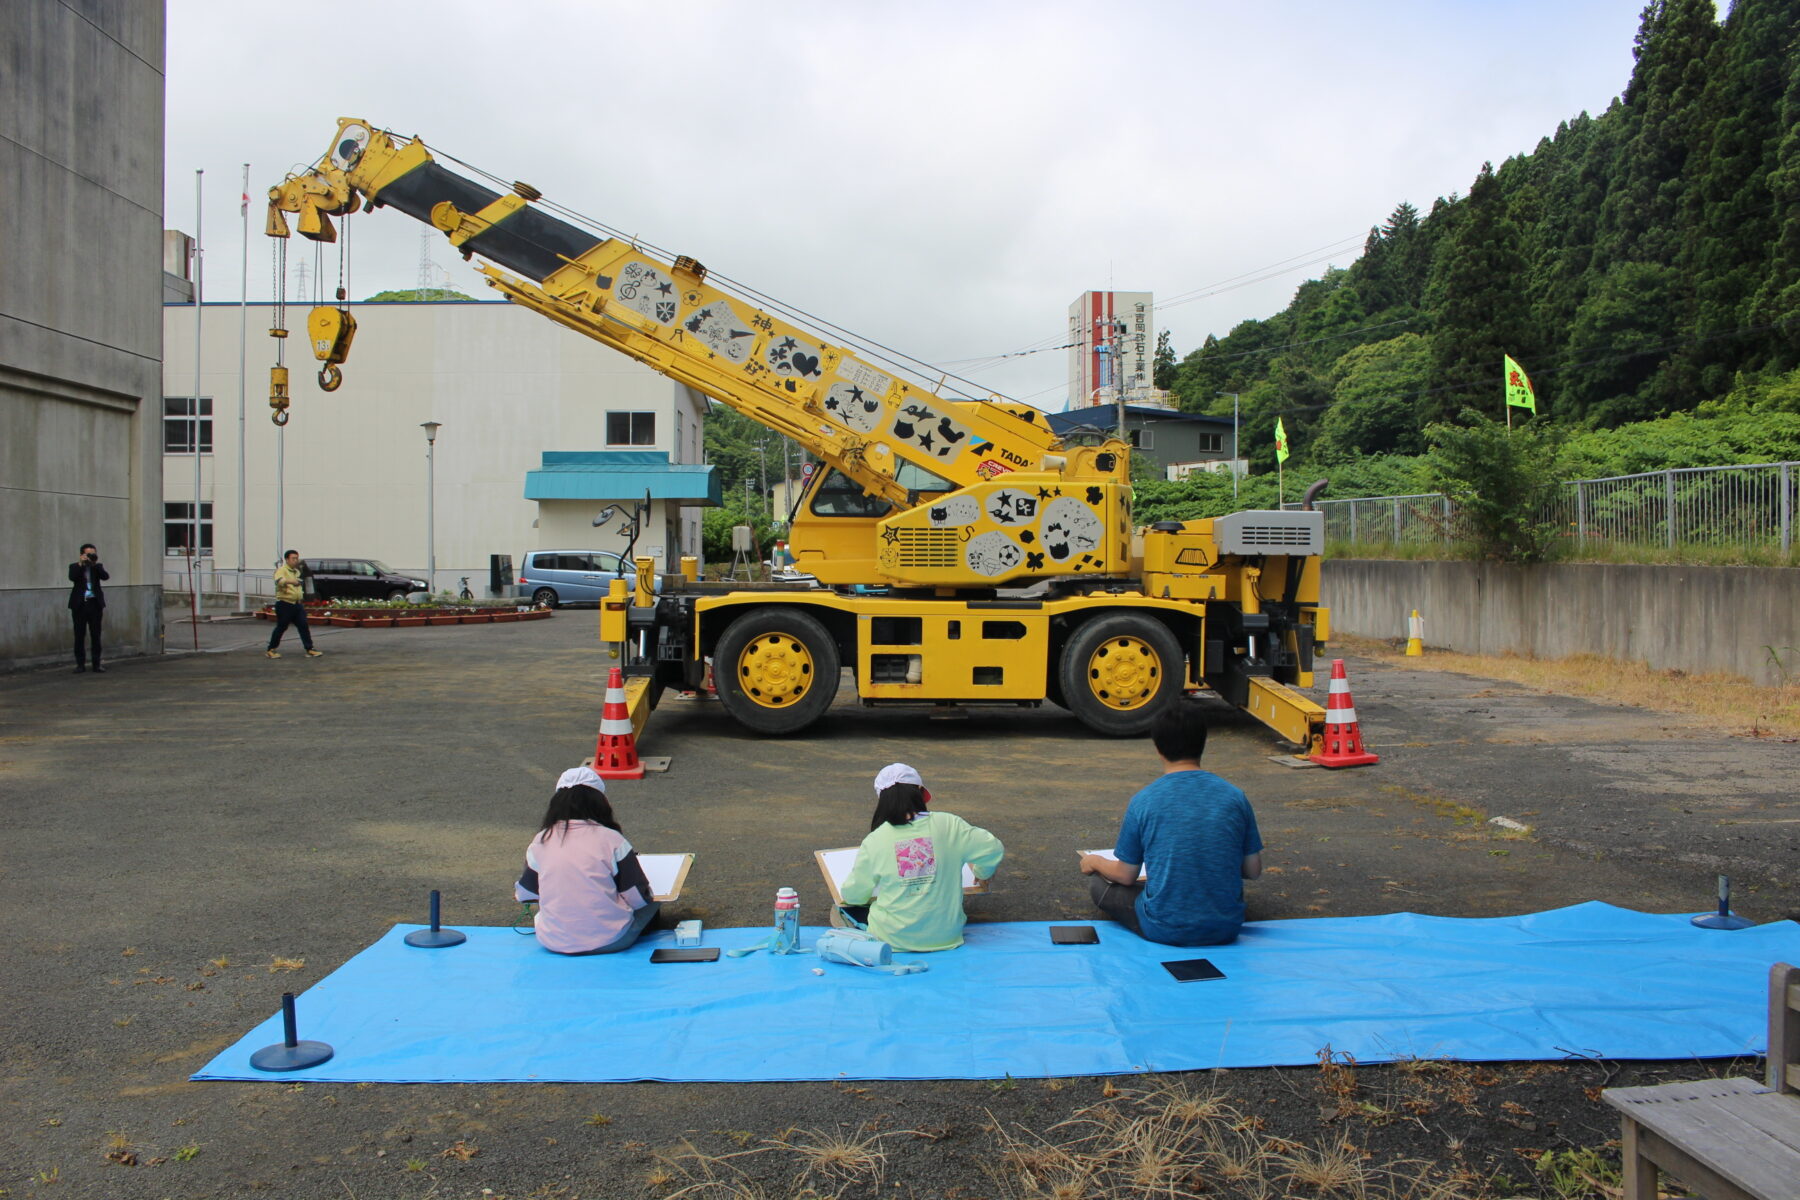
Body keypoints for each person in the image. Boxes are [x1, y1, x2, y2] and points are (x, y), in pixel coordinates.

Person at [1079, 698, 1263, 946]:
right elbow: (1252, 870)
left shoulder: (1144, 801)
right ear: (1203, 743)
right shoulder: (1235, 797)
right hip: (1226, 926)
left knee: (1099, 886)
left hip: (1164, 928)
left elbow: (1125, 875)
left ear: (1157, 747)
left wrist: (1095, 861)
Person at [840, 764, 1003, 952]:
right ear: (919, 790)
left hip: (891, 940)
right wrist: (982, 873)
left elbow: (853, 895)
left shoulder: (875, 839)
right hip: (947, 935)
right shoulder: (950, 824)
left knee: (842, 911)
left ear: (882, 799)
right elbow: (993, 848)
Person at [515, 766, 660, 955]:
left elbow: (526, 893)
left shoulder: (541, 840)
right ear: (601, 803)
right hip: (611, 939)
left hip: (554, 941)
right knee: (653, 904)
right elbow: (638, 898)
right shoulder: (612, 840)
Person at [266, 550, 322, 659]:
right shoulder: (281, 570)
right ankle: (271, 649)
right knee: (281, 627)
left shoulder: (296, 571)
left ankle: (309, 648)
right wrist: (292, 581)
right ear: (287, 559)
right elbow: (279, 581)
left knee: (303, 625)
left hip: (297, 604)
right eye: (293, 558)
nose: (295, 560)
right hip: (284, 604)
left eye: (297, 558)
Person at [67, 543, 109, 673]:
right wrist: (81, 564)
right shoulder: (75, 566)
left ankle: (96, 664)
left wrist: (94, 563)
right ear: (82, 555)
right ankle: (80, 664)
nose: (91, 556)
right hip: (80, 605)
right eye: (88, 554)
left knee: (95, 635)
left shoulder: (97, 567)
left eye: (93, 553)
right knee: (79, 635)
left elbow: (105, 577)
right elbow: (72, 577)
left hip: (94, 604)